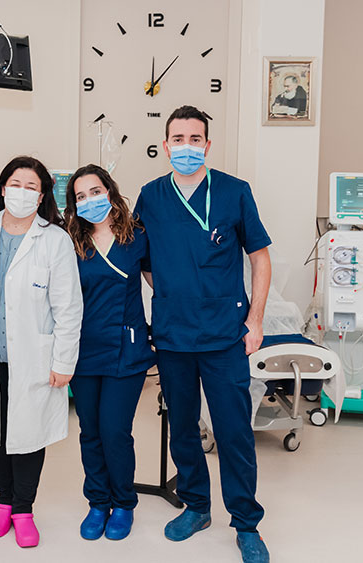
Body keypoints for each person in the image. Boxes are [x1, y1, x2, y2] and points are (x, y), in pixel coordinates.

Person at [133, 105, 273, 563]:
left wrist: (254, 320)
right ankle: (196, 506)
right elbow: (144, 262)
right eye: (179, 138)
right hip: (173, 336)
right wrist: (175, 293)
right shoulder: (151, 197)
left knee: (233, 432)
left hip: (224, 335)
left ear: (208, 145)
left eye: (196, 139)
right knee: (182, 431)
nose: (187, 147)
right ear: (166, 143)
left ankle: (246, 523)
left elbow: (260, 258)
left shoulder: (234, 192)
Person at [0, 156, 83, 549]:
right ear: (2, 188)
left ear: (43, 194)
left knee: (28, 434)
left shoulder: (55, 239)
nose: (23, 192)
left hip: (34, 357)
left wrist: (64, 361)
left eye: (32, 187)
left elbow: (68, 308)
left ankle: (24, 509)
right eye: (16, 183)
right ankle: (3, 502)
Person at [62, 164, 155, 542]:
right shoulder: (70, 241)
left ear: (111, 193)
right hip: (83, 351)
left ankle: (124, 503)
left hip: (126, 351)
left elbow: (163, 284)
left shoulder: (138, 238)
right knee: (90, 431)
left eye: (95, 192)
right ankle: (98, 502)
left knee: (115, 431)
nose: (89, 201)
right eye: (80, 196)